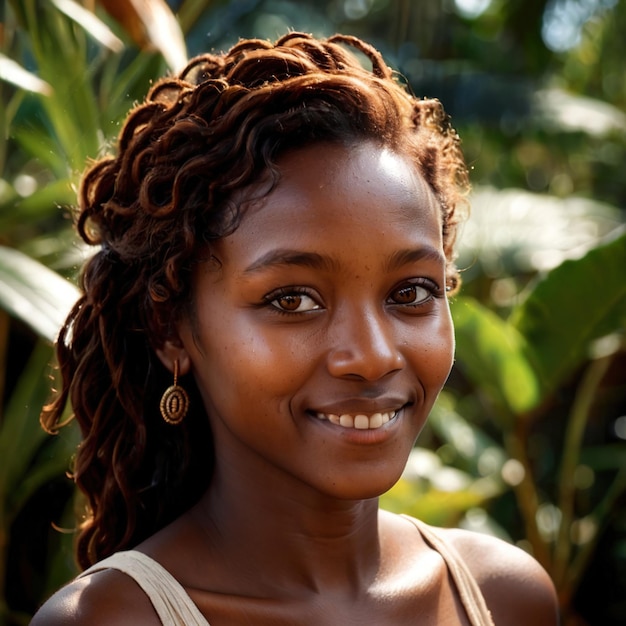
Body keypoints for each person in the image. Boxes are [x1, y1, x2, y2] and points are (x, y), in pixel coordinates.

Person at [31, 32, 558, 625]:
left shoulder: (504, 598)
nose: (373, 355)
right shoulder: (114, 620)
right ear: (170, 329)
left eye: (410, 292)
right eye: (293, 299)